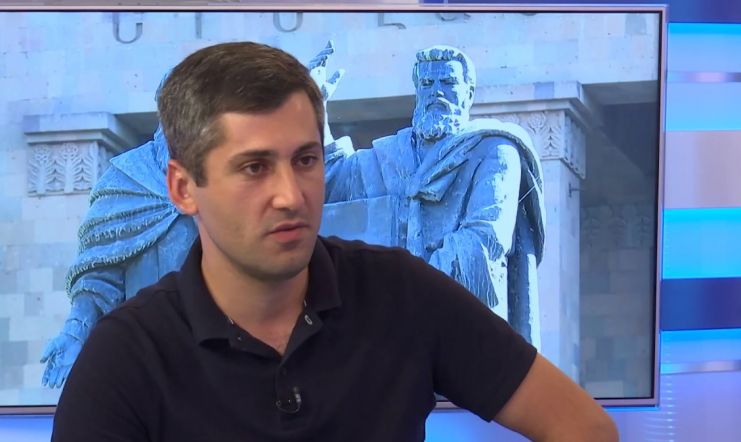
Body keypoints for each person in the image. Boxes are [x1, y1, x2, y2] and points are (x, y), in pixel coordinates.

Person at [52, 41, 617, 442]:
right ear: (183, 188)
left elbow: (584, 426)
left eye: (306, 160)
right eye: (254, 167)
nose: (290, 195)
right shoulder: (125, 355)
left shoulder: (403, 292)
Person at [321, 45, 544, 344]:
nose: (436, 91)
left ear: (469, 93)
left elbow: (484, 239)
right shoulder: (390, 155)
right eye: (427, 83)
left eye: (448, 82)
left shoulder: (494, 150)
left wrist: (407, 290)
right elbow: (331, 183)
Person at [40, 116, 197, 389]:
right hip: (143, 359)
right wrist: (75, 331)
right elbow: (99, 276)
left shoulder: (231, 178)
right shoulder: (126, 175)